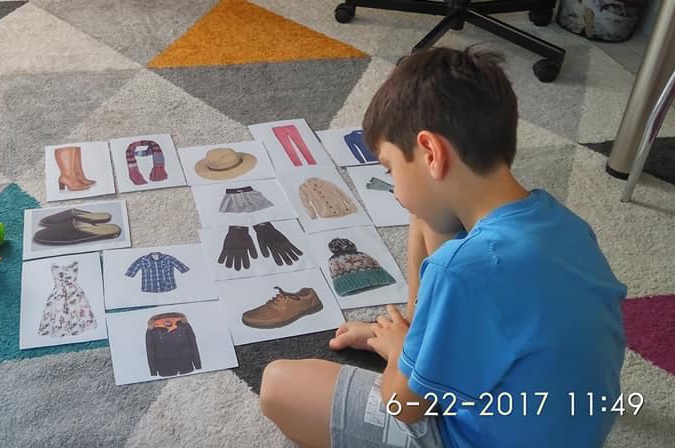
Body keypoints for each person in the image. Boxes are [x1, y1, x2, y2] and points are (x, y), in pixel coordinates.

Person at [259, 47, 627, 448]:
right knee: (427, 212)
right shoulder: (567, 226)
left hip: (472, 437)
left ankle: (416, 350)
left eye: (390, 168)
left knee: (279, 385)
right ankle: (422, 345)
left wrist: (400, 353)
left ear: (431, 153)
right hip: (572, 426)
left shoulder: (461, 269)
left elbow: (403, 406)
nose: (394, 190)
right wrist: (413, 340)